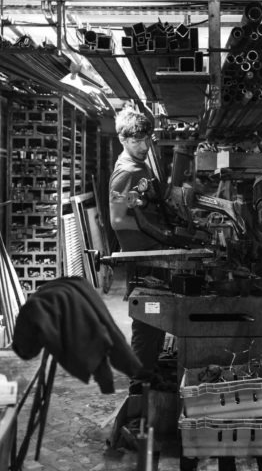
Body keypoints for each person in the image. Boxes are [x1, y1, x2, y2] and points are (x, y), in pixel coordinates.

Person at [108, 105, 166, 381]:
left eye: (146, 139)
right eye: (136, 141)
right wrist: (157, 232)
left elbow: (136, 205)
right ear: (123, 140)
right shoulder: (125, 173)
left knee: (157, 321)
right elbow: (118, 220)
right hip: (142, 260)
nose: (144, 146)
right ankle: (141, 385)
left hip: (152, 255)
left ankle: (150, 377)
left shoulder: (139, 167)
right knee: (147, 320)